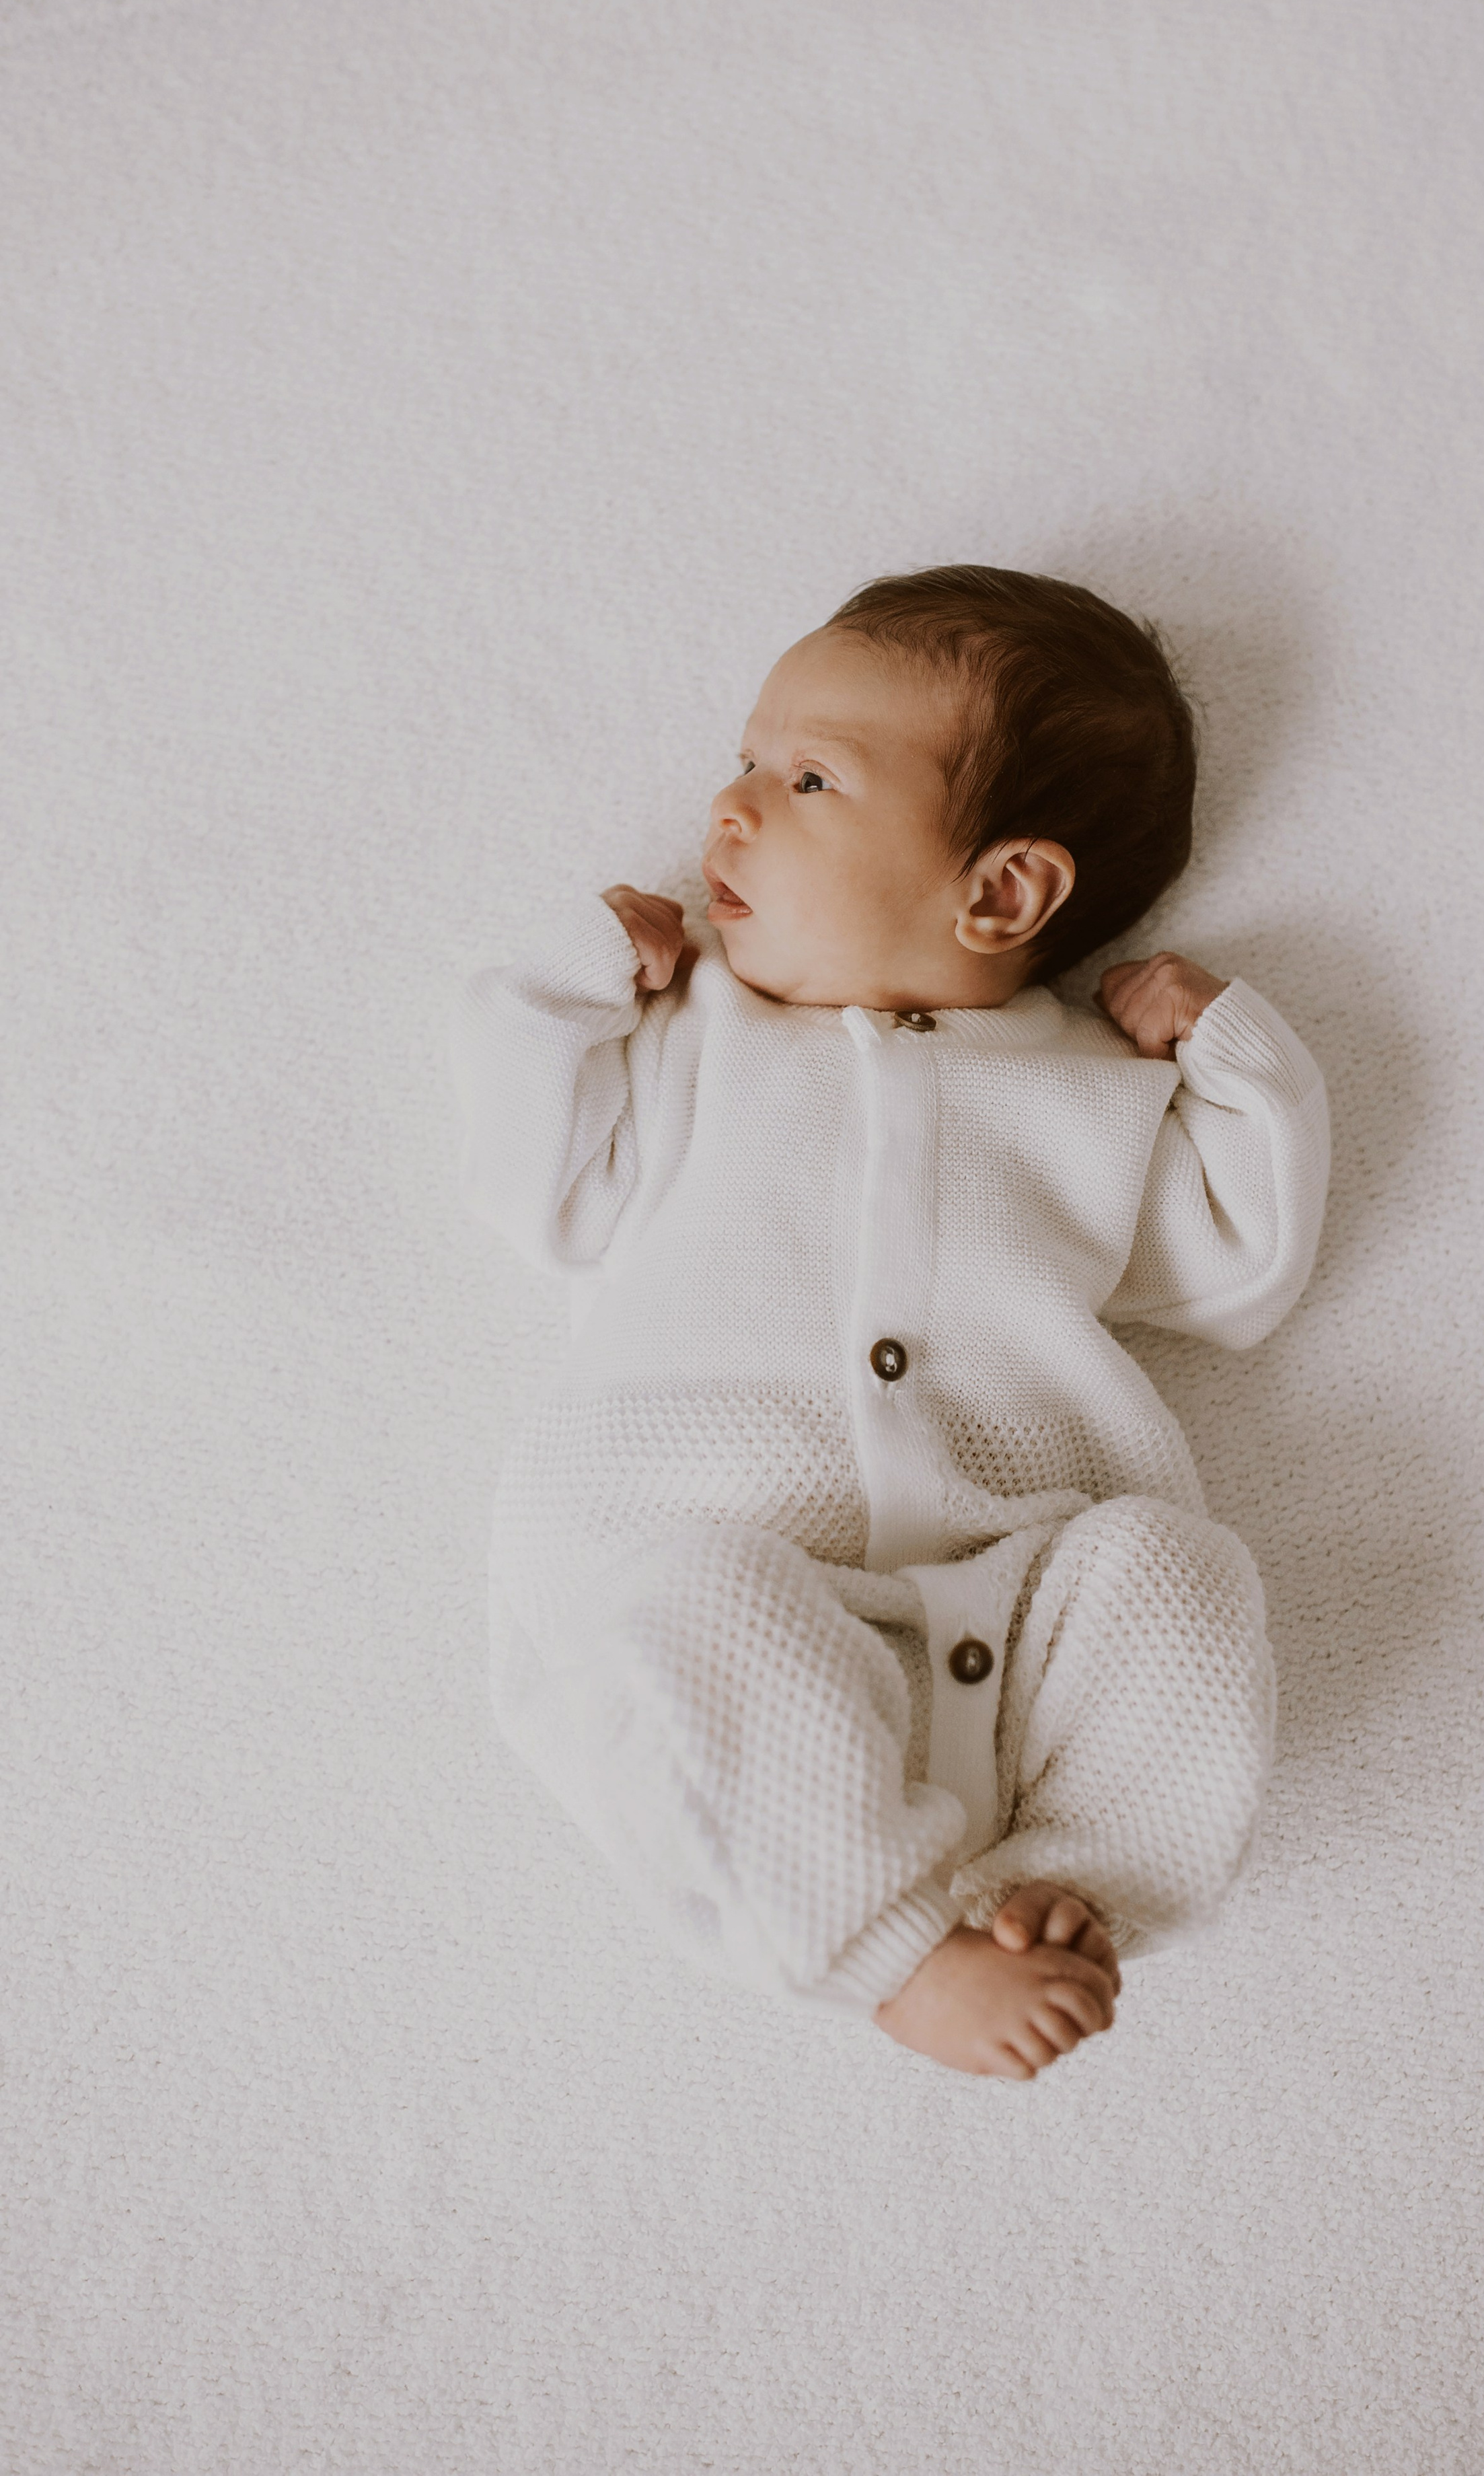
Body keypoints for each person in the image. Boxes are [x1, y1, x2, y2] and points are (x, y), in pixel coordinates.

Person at [451, 565, 1330, 2081]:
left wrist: (1239, 1064)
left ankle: (1069, 1888)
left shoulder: (1082, 1092)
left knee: (1180, 1575)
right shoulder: (691, 1049)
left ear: (1000, 892)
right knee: (688, 1605)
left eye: (805, 780)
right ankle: (885, 1942)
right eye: (744, 759)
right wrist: (573, 987)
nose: (727, 809)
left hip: (1023, 1587)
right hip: (709, 1579)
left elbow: (1235, 1268)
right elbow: (540, 1193)